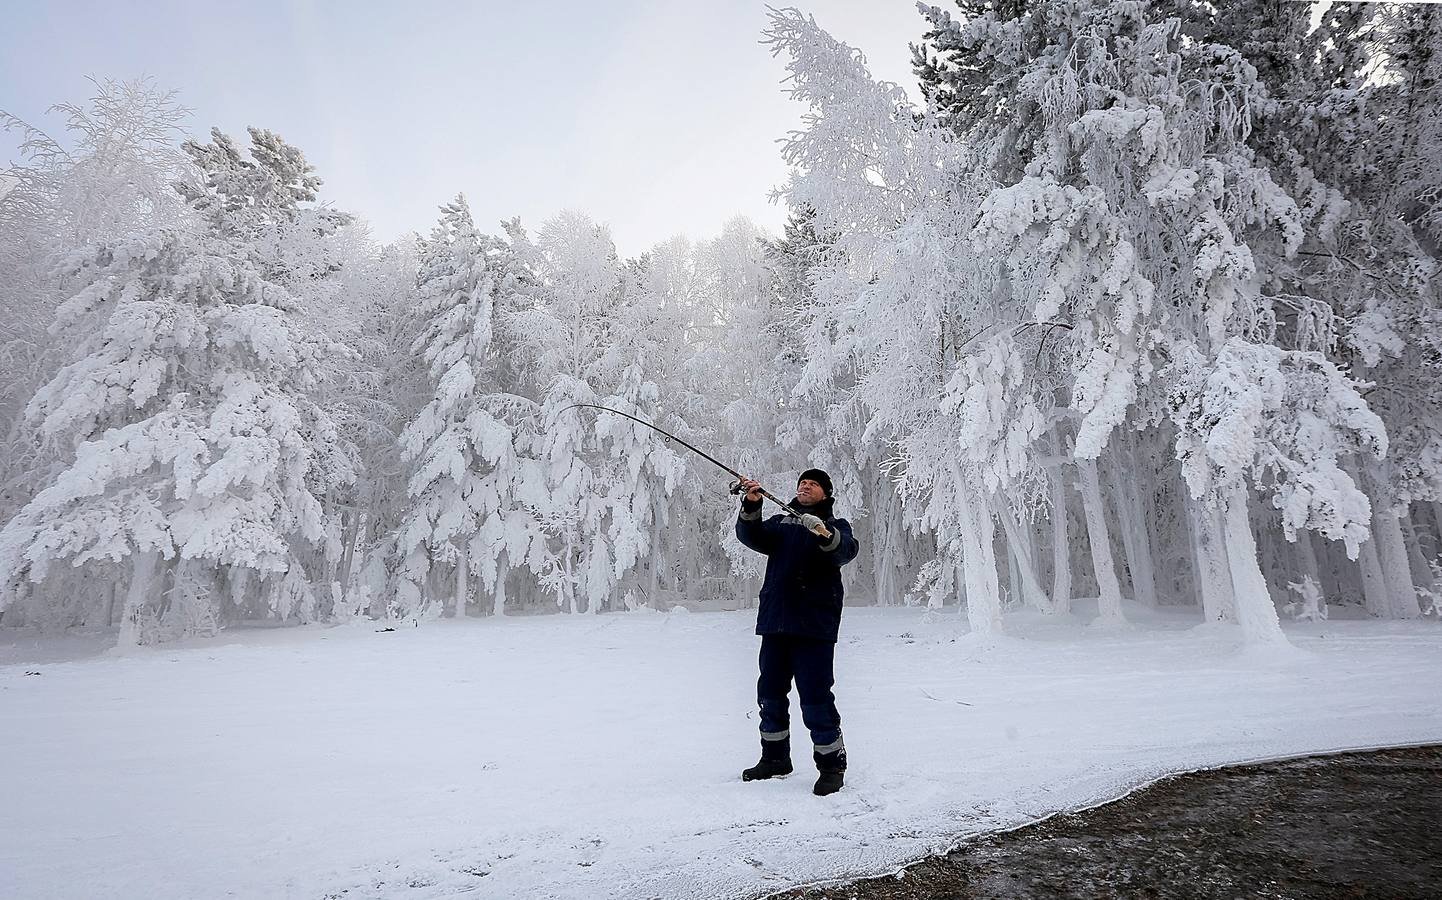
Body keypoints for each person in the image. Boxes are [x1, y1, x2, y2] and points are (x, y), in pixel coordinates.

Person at [734, 468, 859, 796]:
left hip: (814, 625)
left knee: (816, 696)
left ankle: (832, 765)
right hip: (776, 621)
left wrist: (822, 532)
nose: (805, 486)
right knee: (770, 692)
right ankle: (775, 758)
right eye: (802, 483)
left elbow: (845, 549)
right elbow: (751, 536)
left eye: (813, 483)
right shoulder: (780, 523)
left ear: (825, 493)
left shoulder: (837, 527)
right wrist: (751, 504)